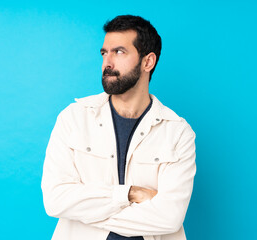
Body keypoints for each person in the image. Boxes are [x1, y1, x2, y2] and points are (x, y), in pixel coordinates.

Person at [41, 15, 196, 240]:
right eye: (105, 53)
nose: (108, 62)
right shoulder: (73, 118)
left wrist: (86, 211)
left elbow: (169, 218)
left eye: (119, 52)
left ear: (147, 62)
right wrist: (130, 194)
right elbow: (55, 201)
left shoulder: (177, 133)